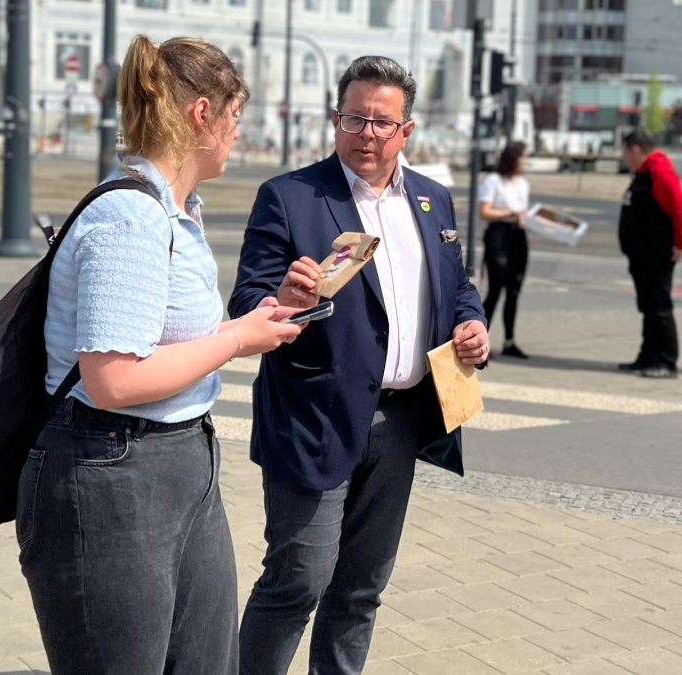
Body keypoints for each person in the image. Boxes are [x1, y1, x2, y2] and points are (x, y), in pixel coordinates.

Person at [16, 35, 302, 675]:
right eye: (235, 115)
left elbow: (168, 340)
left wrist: (253, 321)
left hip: (180, 458)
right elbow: (114, 380)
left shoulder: (177, 212)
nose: (238, 132)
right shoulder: (130, 217)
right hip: (109, 468)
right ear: (203, 114)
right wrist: (236, 340)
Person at [229, 56, 489, 675]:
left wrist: (472, 323)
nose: (366, 134)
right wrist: (282, 300)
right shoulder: (291, 196)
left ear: (407, 130)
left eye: (381, 122)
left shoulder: (432, 199)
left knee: (361, 590)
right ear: (335, 119)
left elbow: (457, 285)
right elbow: (246, 300)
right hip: (313, 418)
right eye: (354, 119)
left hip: (400, 422)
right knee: (298, 580)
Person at [618, 129, 682, 379]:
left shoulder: (659, 171)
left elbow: (681, 208)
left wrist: (681, 243)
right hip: (642, 254)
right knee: (648, 307)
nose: (624, 156)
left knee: (659, 307)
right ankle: (647, 356)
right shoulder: (645, 172)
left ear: (636, 150)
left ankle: (667, 361)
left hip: (656, 253)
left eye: (625, 151)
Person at [477, 141, 531, 360]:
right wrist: (510, 212)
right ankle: (481, 341)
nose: (525, 162)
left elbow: (523, 211)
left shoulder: (523, 183)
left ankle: (510, 341)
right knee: (495, 289)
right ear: (512, 159)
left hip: (518, 236)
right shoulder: (493, 180)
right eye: (522, 157)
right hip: (499, 235)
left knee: (514, 290)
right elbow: (484, 212)